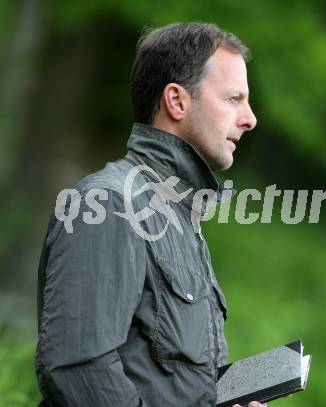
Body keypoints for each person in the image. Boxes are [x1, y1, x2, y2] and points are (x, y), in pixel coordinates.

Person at [36, 22, 264, 406]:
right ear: (176, 101)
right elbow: (79, 370)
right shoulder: (108, 205)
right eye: (232, 99)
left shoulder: (178, 213)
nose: (250, 118)